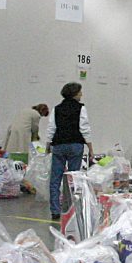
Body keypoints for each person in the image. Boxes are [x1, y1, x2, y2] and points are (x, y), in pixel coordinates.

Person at [45, 82, 92, 220]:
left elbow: (51, 128)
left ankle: (55, 210)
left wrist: (48, 145)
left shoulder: (57, 109)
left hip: (59, 145)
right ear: (75, 93)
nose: (81, 94)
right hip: (75, 145)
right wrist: (90, 148)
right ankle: (70, 209)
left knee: (55, 179)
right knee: (73, 179)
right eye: (80, 92)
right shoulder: (81, 108)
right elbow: (84, 128)